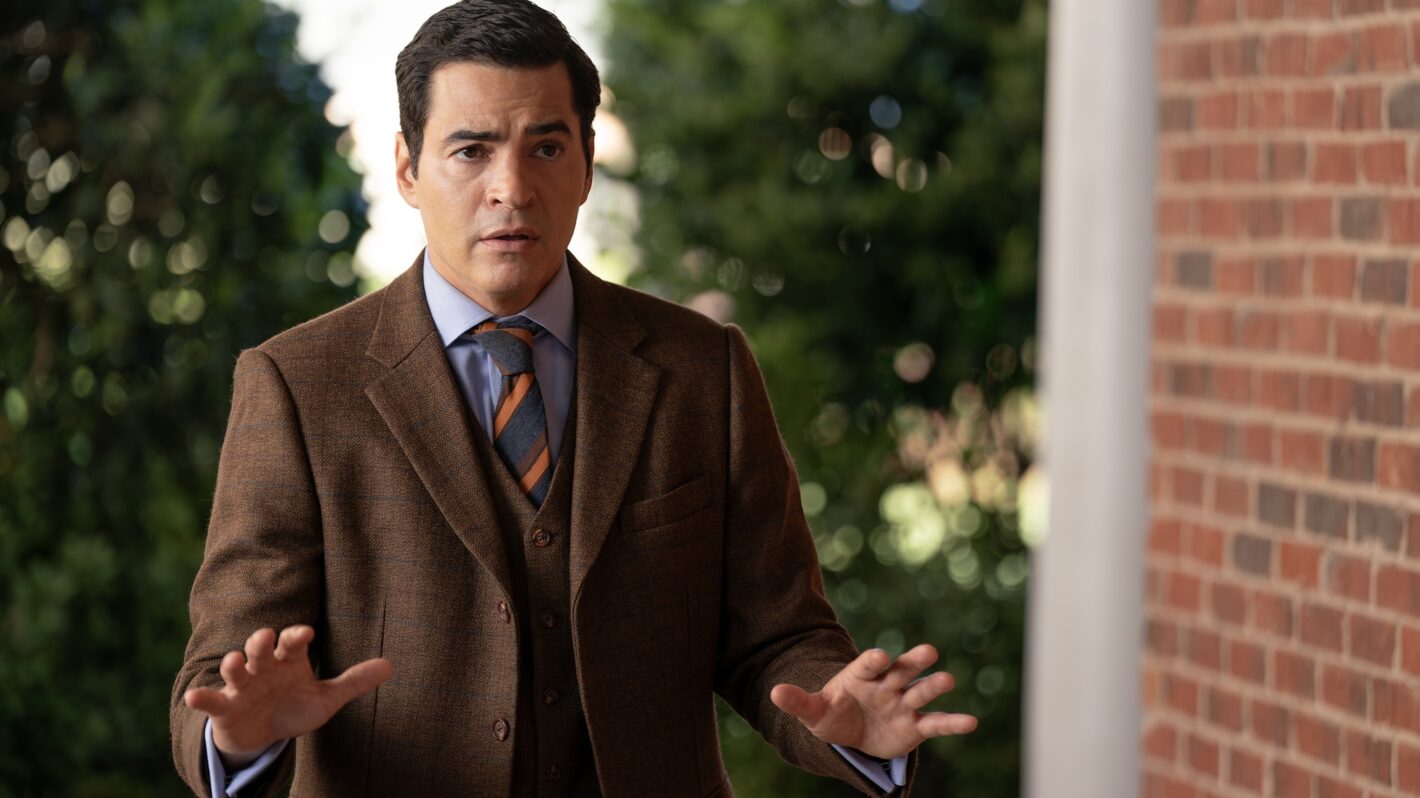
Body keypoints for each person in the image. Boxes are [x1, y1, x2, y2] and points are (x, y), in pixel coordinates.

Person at [169, 1, 976, 795]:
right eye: (471, 151)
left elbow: (776, 633)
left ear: (587, 163)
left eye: (546, 147)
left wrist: (845, 717)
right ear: (408, 169)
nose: (512, 188)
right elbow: (224, 672)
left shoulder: (706, 369)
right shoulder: (298, 384)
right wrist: (237, 737)